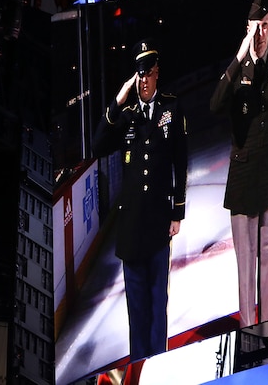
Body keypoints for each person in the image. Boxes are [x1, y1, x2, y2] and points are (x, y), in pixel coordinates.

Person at [92, 38, 188, 362]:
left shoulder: (172, 109)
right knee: (137, 311)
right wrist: (118, 100)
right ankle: (139, 369)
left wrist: (178, 213)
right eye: (139, 75)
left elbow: (181, 162)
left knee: (157, 305)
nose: (144, 80)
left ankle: (158, 367)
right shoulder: (128, 116)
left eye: (148, 73)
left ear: (157, 72)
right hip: (131, 230)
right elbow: (97, 146)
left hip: (159, 224)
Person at [210, 0, 268, 327]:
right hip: (244, 178)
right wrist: (240, 54)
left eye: (267, 26)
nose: (262, 33)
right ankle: (249, 327)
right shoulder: (236, 69)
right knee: (245, 261)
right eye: (257, 27)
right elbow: (215, 105)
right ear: (247, 29)